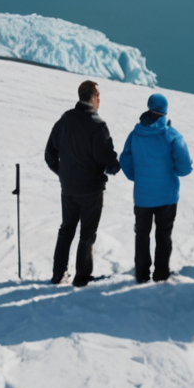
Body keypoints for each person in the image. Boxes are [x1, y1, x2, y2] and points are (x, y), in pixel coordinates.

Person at [45, 79, 121, 286]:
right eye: (99, 96)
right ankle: (81, 277)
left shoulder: (65, 120)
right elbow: (107, 159)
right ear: (94, 98)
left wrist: (63, 174)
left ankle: (58, 274)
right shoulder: (97, 125)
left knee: (66, 229)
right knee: (87, 234)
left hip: (68, 188)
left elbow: (49, 154)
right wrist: (114, 167)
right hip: (91, 190)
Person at [118, 93, 194, 283]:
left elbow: (125, 160)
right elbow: (185, 167)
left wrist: (139, 177)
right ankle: (161, 274)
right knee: (164, 235)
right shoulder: (172, 135)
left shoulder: (135, 134)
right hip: (167, 196)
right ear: (164, 111)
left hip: (143, 196)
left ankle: (142, 274)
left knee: (142, 235)